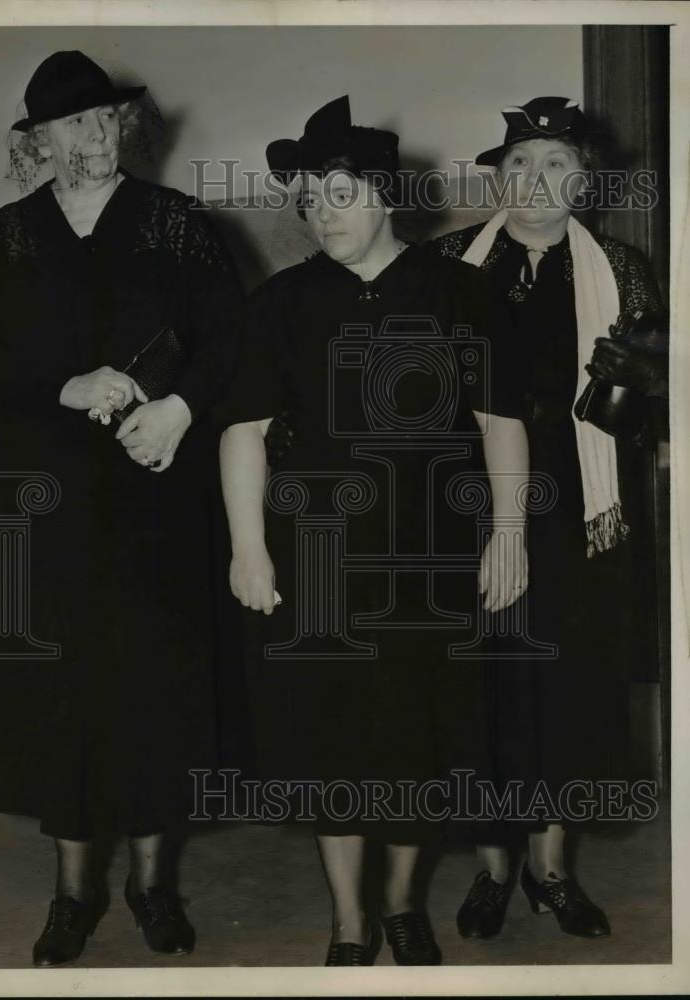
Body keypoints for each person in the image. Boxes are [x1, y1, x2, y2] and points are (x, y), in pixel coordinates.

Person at [219, 96, 529, 966]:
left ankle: (400, 907)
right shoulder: (280, 302)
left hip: (431, 552)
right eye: (309, 199)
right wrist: (249, 548)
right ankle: (348, 922)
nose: (322, 214)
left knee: (417, 736)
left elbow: (500, 421)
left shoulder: (460, 291)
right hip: (317, 555)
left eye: (340, 194)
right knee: (330, 738)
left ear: (385, 195)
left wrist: (508, 534)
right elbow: (241, 430)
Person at [0, 51, 243, 966]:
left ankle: (153, 884)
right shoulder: (6, 234)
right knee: (63, 688)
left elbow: (228, 341)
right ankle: (73, 892)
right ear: (34, 140)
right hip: (47, 494)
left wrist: (169, 402)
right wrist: (62, 385)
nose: (94, 135)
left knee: (157, 678)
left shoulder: (179, 223)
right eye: (72, 123)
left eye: (106, 118)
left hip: (158, 483)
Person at [431, 96, 667, 940]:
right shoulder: (452, 260)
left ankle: (554, 867)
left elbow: (650, 415)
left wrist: (636, 390)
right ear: (497, 177)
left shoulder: (622, 269)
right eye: (520, 165)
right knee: (482, 681)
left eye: (555, 165)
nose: (535, 181)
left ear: (585, 180)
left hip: (577, 507)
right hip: (466, 502)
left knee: (569, 681)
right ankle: (494, 868)